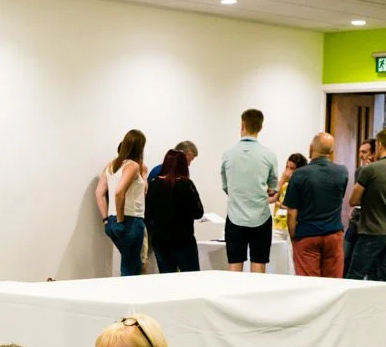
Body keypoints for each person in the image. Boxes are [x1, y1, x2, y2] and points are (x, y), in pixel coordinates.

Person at [219, 108, 283, 273]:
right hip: (260, 216)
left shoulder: (228, 154)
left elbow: (226, 187)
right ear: (261, 127)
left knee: (234, 263)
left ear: (242, 125)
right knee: (259, 263)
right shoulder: (269, 155)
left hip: (235, 215)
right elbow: (274, 186)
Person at [282, 133, 350, 279]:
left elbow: (291, 213)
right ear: (331, 152)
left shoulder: (299, 174)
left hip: (307, 236)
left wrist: (294, 237)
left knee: (310, 285)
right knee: (333, 283)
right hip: (333, 235)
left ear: (311, 148)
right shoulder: (342, 172)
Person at [347, 128, 386, 284]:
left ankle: (351, 308)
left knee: (355, 275)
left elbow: (353, 200)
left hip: (372, 230)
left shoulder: (370, 170)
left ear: (379, 145)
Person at [95, 129, 148, 277]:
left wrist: (106, 220)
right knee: (130, 268)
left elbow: (99, 193)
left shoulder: (111, 165)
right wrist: (121, 220)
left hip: (111, 221)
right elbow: (119, 192)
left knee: (133, 263)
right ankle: (128, 297)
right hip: (130, 220)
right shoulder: (132, 166)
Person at [143, 148, 204, 274]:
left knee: (167, 278)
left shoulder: (154, 185)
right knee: (191, 277)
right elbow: (198, 212)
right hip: (184, 240)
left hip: (160, 240)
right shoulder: (186, 185)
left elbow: (147, 214)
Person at [342, 137, 375, 269]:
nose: (361, 155)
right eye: (360, 152)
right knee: (347, 257)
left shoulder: (371, 171)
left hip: (368, 222)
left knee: (356, 261)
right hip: (357, 219)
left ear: (373, 153)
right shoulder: (360, 171)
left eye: (365, 152)